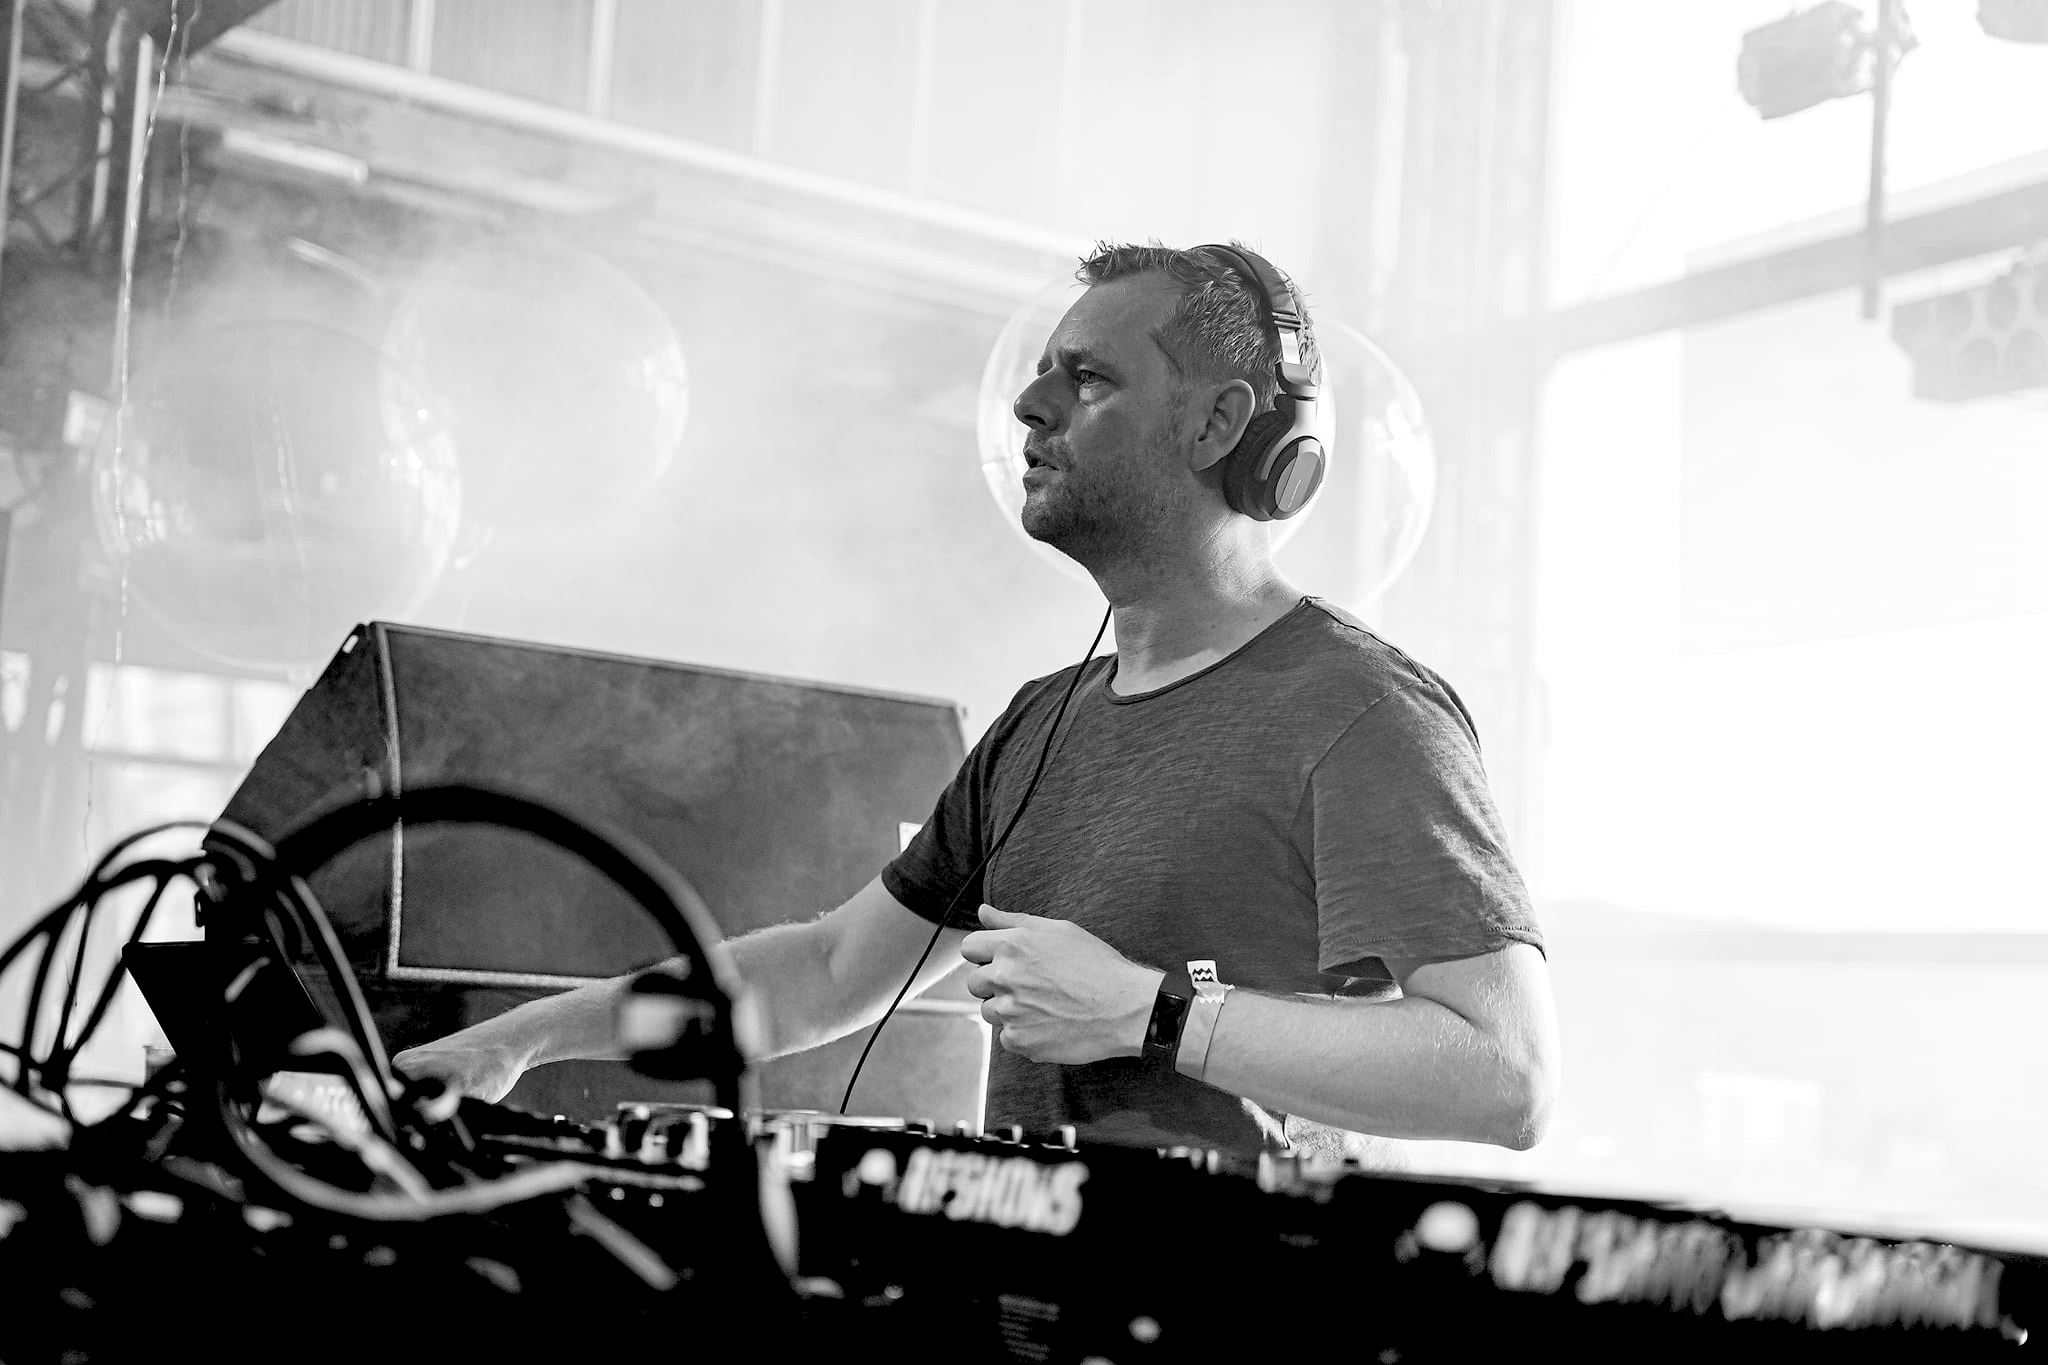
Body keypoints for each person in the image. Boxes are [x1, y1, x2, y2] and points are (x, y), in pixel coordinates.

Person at [394, 241, 1559, 1164]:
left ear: (1217, 426)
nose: (1028, 408)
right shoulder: (1039, 726)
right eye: (1043, 372)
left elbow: (1504, 1078)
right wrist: (518, 1045)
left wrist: (1151, 1016)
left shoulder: (1356, 710)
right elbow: (818, 979)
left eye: (1088, 378)